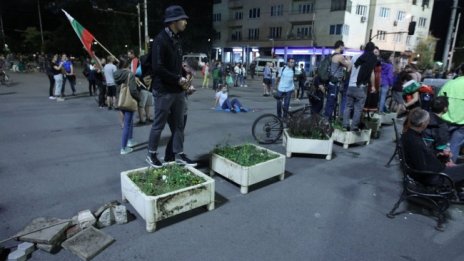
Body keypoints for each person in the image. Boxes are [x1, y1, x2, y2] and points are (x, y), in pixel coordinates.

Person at [146, 5, 197, 168]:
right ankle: (151, 154)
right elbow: (158, 68)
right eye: (183, 19)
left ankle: (178, 154)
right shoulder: (160, 40)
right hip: (163, 90)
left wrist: (184, 76)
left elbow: (176, 65)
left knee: (179, 125)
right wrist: (178, 79)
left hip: (177, 90)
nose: (186, 23)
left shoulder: (177, 39)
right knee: (159, 125)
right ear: (174, 21)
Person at [401, 108, 464, 189]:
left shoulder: (409, 134)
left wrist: (439, 156)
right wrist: (442, 165)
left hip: (430, 171)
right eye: (428, 120)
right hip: (432, 176)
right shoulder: (414, 141)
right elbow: (422, 168)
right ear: (423, 124)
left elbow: (423, 157)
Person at [342, 42, 377, 131]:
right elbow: (372, 74)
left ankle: (345, 125)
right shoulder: (370, 59)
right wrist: (373, 86)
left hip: (351, 86)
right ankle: (354, 127)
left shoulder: (355, 56)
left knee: (348, 106)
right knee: (358, 108)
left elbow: (349, 70)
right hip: (361, 87)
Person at [114, 60, 140, 155]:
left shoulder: (115, 73)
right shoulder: (130, 74)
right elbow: (133, 90)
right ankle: (124, 147)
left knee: (128, 121)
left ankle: (130, 140)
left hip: (120, 99)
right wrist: (138, 98)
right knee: (127, 124)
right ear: (127, 64)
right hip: (128, 100)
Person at [438, 73, 464, 163]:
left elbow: (439, 102)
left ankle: (438, 168)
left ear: (461, 71)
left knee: (442, 146)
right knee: (455, 146)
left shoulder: (449, 84)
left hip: (445, 121)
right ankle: (448, 171)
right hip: (462, 124)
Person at [324, 40, 351, 121]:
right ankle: (327, 121)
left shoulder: (332, 55)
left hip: (331, 82)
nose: (344, 48)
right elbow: (349, 67)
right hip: (335, 83)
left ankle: (328, 120)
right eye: (343, 47)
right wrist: (349, 60)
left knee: (331, 102)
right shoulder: (340, 56)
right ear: (340, 46)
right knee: (331, 103)